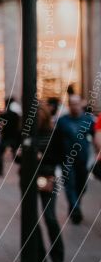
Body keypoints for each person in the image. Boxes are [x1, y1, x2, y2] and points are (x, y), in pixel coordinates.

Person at [31, 103, 64, 262]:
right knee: (32, 218)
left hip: (48, 177)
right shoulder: (28, 133)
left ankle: (57, 258)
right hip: (30, 179)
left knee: (50, 217)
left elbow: (61, 157)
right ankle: (39, 255)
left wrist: (42, 158)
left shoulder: (54, 133)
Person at [54, 94, 96, 224]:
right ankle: (76, 208)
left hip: (83, 160)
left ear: (81, 104)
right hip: (67, 160)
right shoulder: (62, 121)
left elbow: (96, 138)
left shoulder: (88, 120)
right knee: (70, 184)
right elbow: (56, 140)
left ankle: (74, 205)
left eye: (77, 104)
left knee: (82, 186)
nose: (75, 106)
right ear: (69, 105)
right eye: (72, 104)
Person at [0, 97, 21, 176]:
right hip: (14, 137)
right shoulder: (16, 115)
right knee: (16, 153)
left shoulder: (4, 115)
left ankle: (0, 171)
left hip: (6, 137)